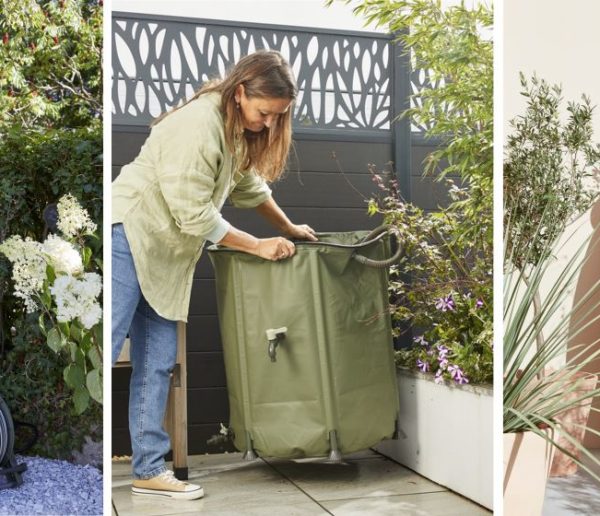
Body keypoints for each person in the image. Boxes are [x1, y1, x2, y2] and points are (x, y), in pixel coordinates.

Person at [111, 50, 317, 500]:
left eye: (276, 117)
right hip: (129, 236)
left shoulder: (234, 131)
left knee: (157, 363)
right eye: (264, 113)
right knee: (103, 348)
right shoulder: (198, 124)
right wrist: (257, 245)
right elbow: (193, 213)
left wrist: (285, 227)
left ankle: (148, 470)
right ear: (240, 92)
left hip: (166, 256)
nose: (266, 124)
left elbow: (248, 188)